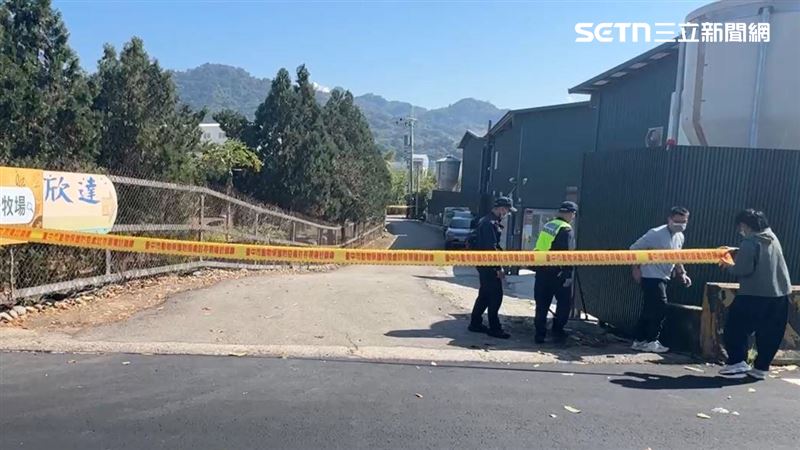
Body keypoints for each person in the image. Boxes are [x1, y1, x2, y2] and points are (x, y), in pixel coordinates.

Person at [718, 209, 792, 380]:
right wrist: (738, 251)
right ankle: (761, 368)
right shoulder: (772, 238)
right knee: (770, 334)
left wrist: (727, 264)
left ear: (744, 225)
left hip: (753, 294)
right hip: (779, 294)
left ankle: (737, 362)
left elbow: (742, 269)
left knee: (735, 328)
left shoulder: (749, 243)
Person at [629, 207, 692, 353]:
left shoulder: (679, 236)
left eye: (683, 222)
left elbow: (677, 257)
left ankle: (639, 340)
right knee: (660, 307)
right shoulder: (655, 233)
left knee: (649, 308)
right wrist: (636, 268)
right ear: (669, 219)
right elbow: (634, 249)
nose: (680, 225)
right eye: (677, 221)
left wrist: (682, 273)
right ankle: (651, 340)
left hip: (664, 276)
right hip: (650, 275)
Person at [468, 197, 516, 339]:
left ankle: (475, 323)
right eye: (507, 210)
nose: (507, 214)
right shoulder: (490, 223)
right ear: (501, 209)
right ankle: (495, 328)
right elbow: (491, 248)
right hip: (489, 265)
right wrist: (498, 268)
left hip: (483, 264)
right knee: (496, 296)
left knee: (484, 295)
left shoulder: (486, 220)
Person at [532, 201, 578, 344]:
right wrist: (567, 274)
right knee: (564, 303)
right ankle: (557, 331)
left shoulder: (549, 225)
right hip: (557, 273)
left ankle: (539, 335)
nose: (573, 217)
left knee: (542, 305)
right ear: (571, 214)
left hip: (542, 270)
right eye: (573, 214)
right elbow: (567, 255)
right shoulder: (566, 229)